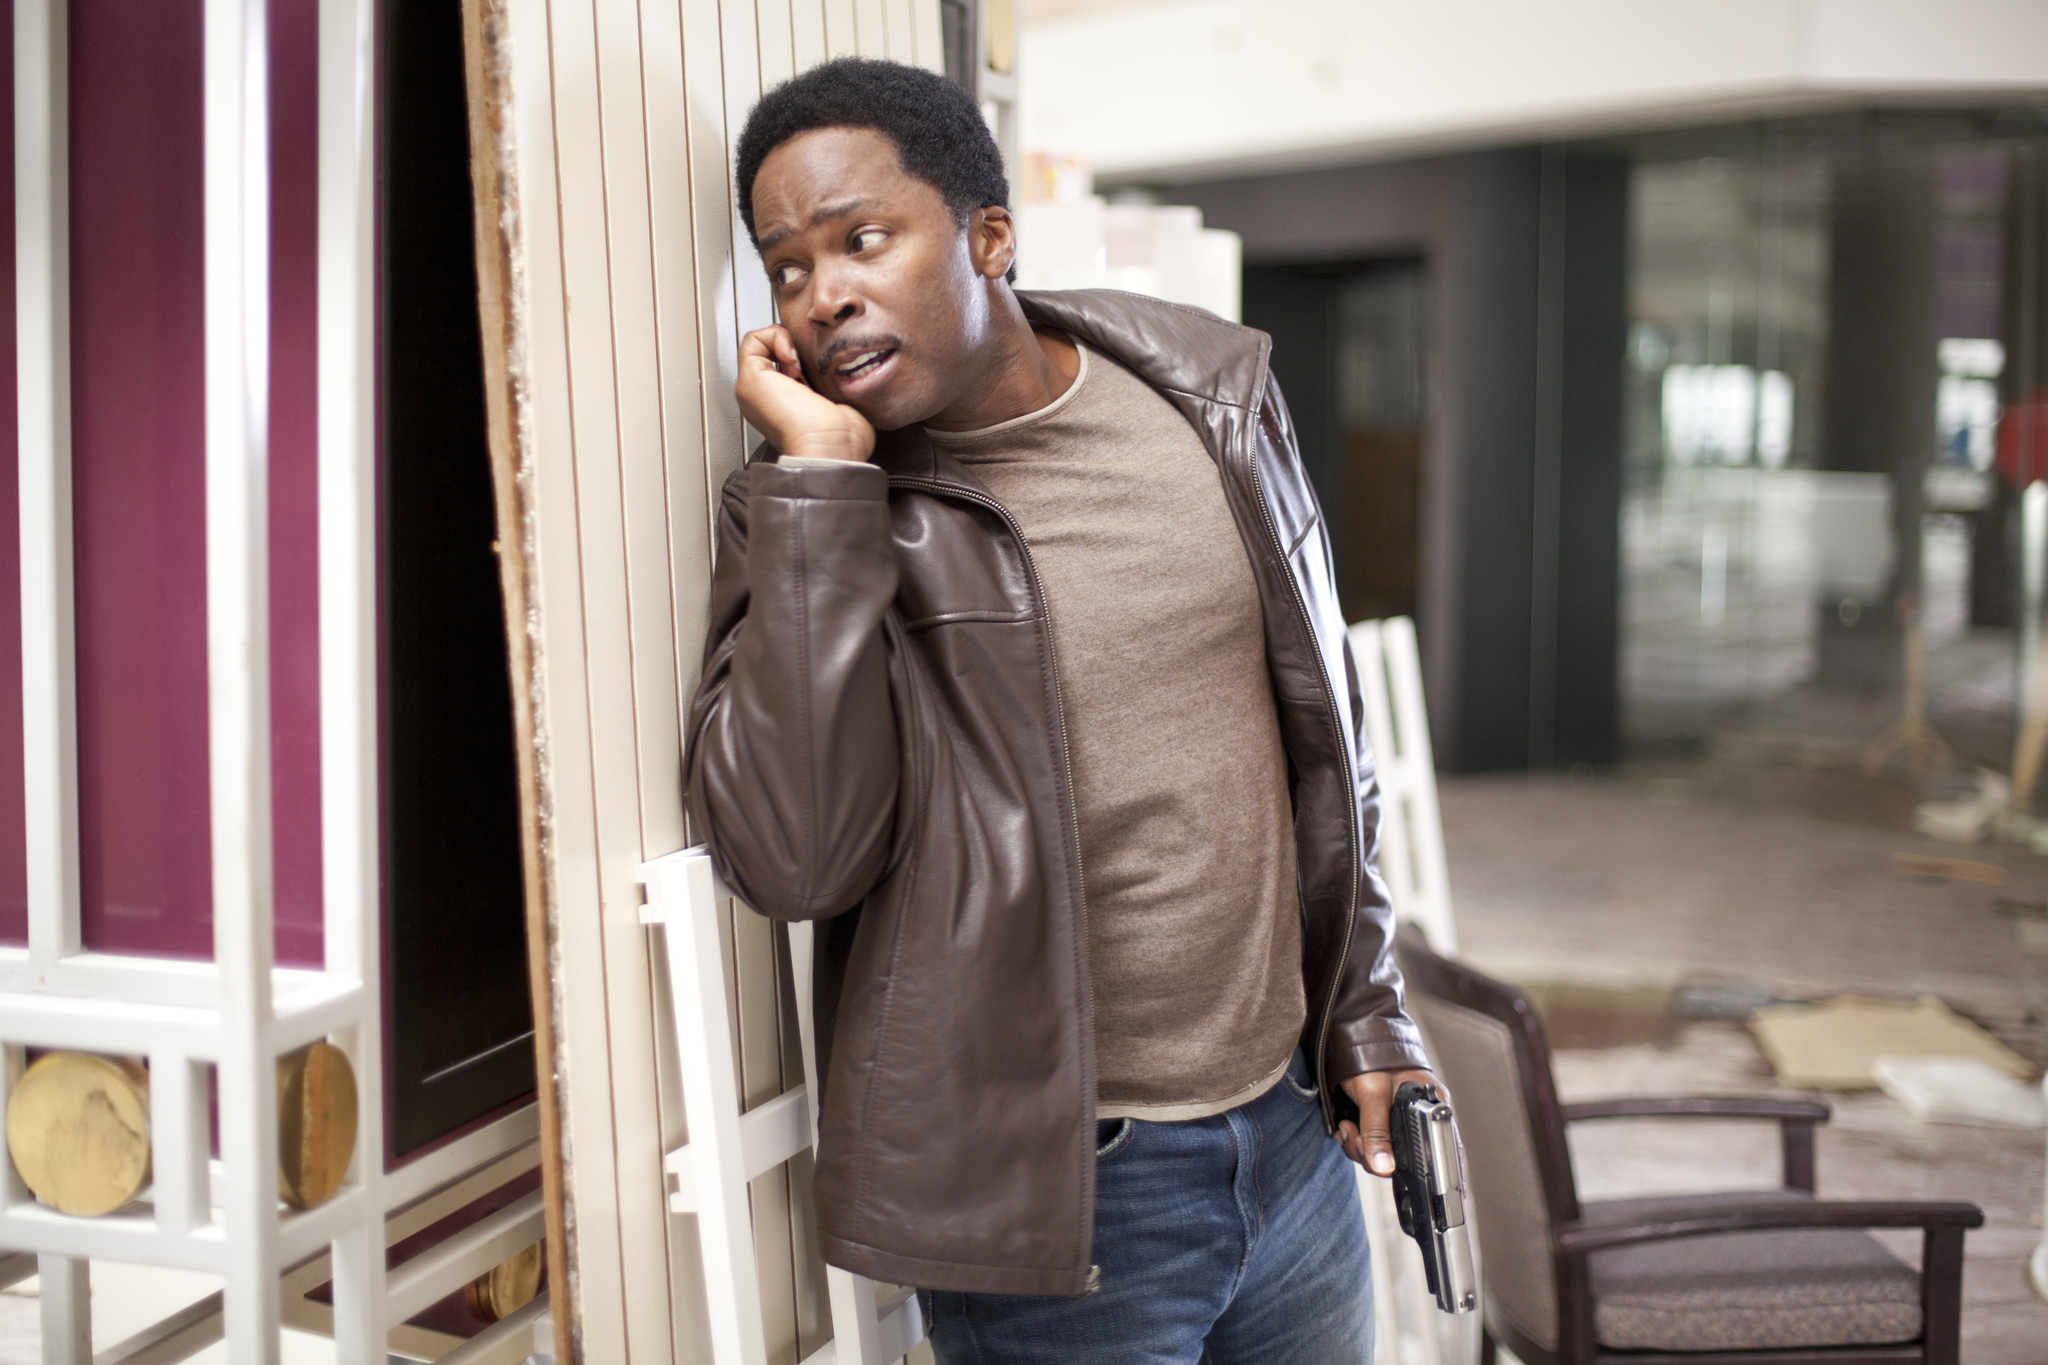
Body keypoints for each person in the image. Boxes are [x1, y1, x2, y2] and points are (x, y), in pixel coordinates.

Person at [685, 55, 1439, 1365]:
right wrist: (821, 487)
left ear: (988, 236)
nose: (825, 295)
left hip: (1293, 1129)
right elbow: (793, 856)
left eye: (863, 238)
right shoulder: (811, 513)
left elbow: (1332, 742)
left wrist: (1365, 1006)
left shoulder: (1212, 398)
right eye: (788, 267)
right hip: (1067, 1193)